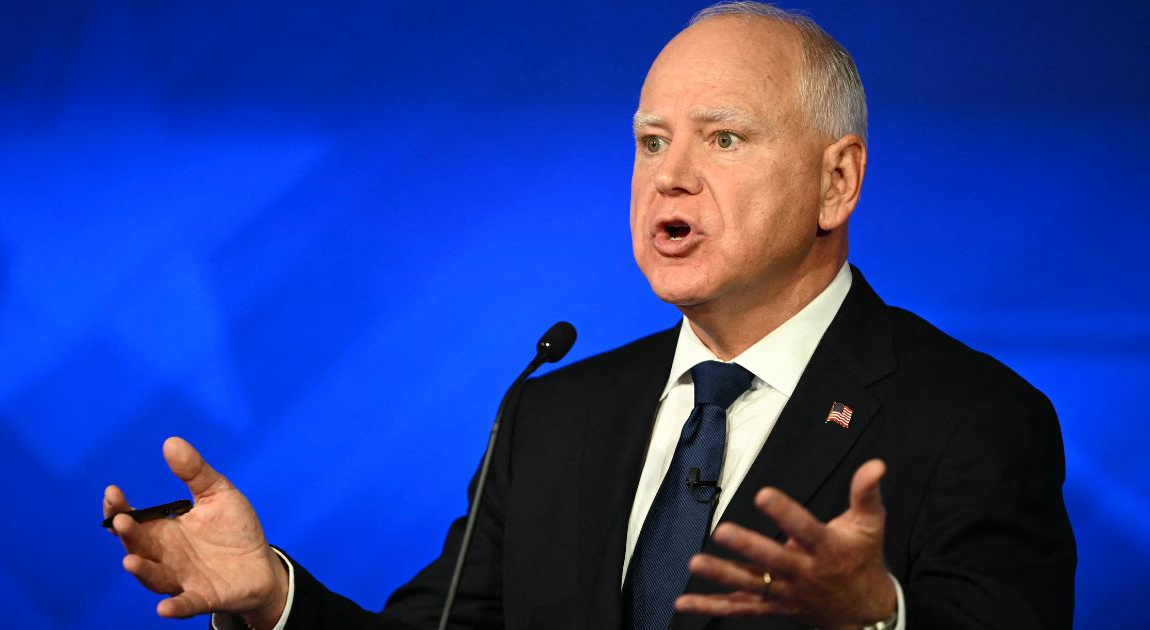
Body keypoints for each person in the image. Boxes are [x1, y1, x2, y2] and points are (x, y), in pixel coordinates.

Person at [103, 3, 1076, 629]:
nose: (671, 177)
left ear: (838, 179)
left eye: (724, 139)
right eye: (651, 142)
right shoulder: (557, 415)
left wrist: (880, 618)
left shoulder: (976, 419)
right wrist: (272, 596)